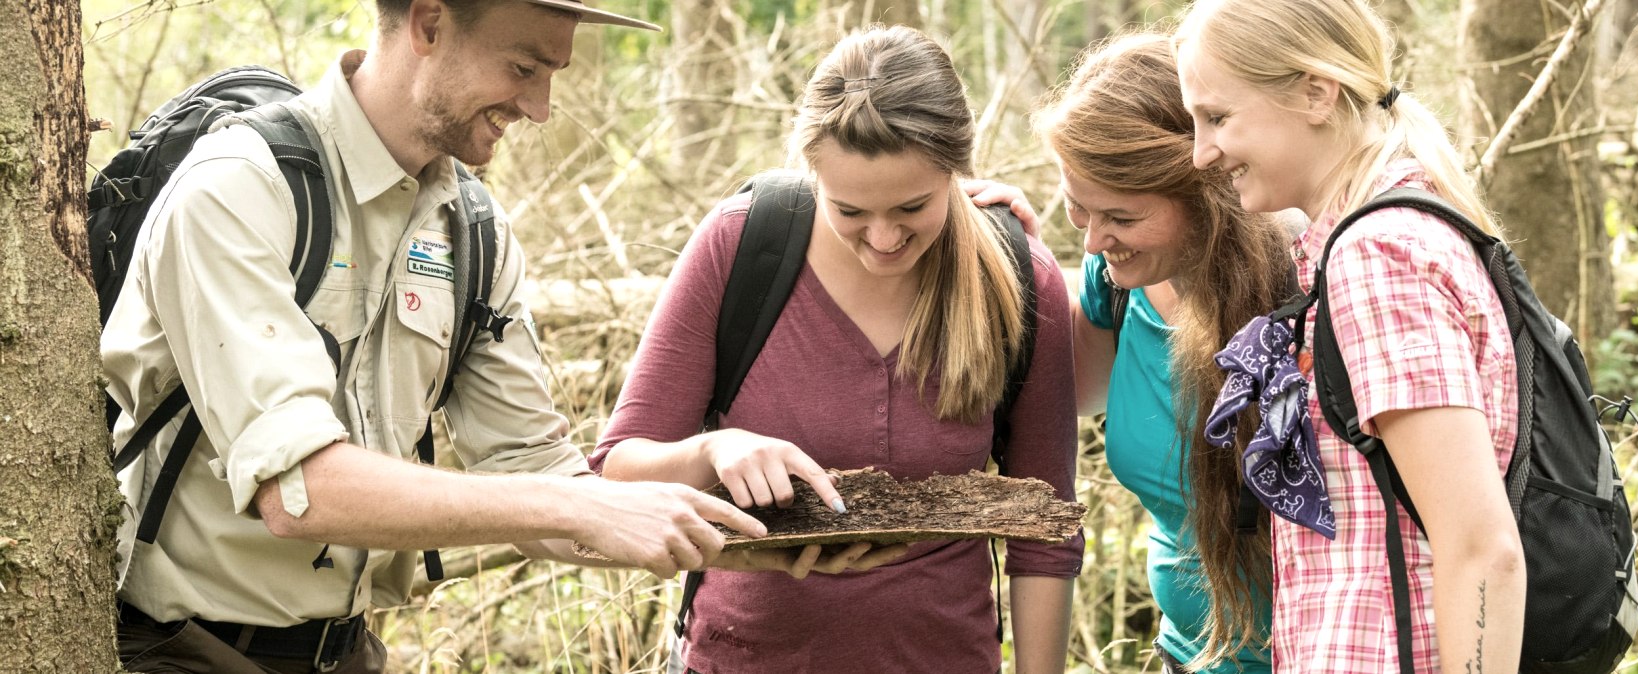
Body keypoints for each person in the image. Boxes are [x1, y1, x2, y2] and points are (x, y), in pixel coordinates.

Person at [101, 2, 767, 672]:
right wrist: (575, 506)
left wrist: (755, 532)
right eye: (523, 67)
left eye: (552, 74)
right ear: (427, 25)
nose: (539, 107)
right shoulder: (239, 189)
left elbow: (535, 471)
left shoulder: (473, 230)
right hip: (178, 648)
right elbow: (300, 491)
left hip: (348, 650)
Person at [590, 25, 1084, 674]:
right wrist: (714, 449)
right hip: (740, 658)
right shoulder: (742, 248)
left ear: (957, 171)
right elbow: (614, 473)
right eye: (849, 211)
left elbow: (1044, 531)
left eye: (912, 206)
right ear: (811, 174)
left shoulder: (1019, 278)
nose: (882, 238)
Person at [1175, 1, 1526, 672]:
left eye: (1218, 117)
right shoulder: (1360, 246)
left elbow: (1481, 548)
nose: (1201, 152)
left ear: (1315, 92)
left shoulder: (1379, 256)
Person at [1033, 32, 1295, 673]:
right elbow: (1064, 394)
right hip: (1187, 656)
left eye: (1119, 216)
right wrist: (1010, 253)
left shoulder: (1307, 290)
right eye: (1077, 210)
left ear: (1205, 195)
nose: (1095, 242)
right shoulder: (1118, 287)